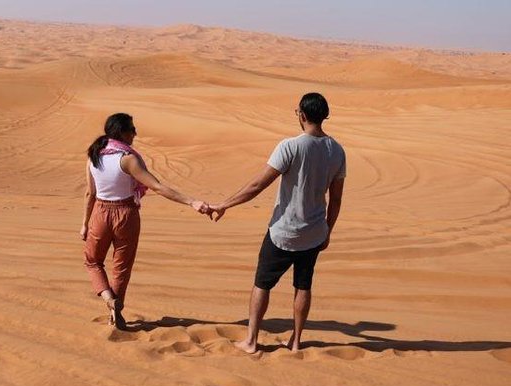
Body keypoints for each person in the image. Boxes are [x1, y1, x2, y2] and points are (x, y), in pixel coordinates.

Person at [208, 93, 346, 353]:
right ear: (323, 116)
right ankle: (296, 341)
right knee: (303, 285)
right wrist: (328, 229)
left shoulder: (290, 146)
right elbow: (336, 199)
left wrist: (224, 204)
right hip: (314, 232)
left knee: (262, 282)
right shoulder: (337, 151)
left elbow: (258, 184)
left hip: (284, 231)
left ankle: (251, 340)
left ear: (302, 115)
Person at [82, 113, 208, 329]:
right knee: (121, 268)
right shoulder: (128, 159)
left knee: (93, 262)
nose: (135, 133)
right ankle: (116, 307)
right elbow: (158, 187)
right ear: (121, 132)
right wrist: (191, 201)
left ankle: (108, 300)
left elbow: (89, 194)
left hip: (100, 213)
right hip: (127, 214)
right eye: (132, 129)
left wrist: (84, 223)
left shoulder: (94, 157)